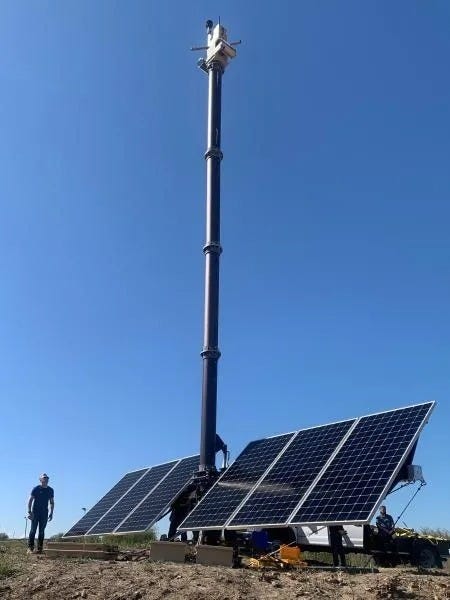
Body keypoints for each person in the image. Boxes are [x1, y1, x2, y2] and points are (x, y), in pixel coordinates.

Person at [27, 473, 54, 554]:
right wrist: (29, 511)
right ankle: (30, 548)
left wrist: (51, 513)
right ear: (40, 480)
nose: (46, 479)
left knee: (41, 531)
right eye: (44, 478)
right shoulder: (36, 489)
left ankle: (40, 549)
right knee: (33, 530)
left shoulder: (50, 490)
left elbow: (52, 502)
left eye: (47, 478)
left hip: (44, 513)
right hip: (35, 512)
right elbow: (30, 500)